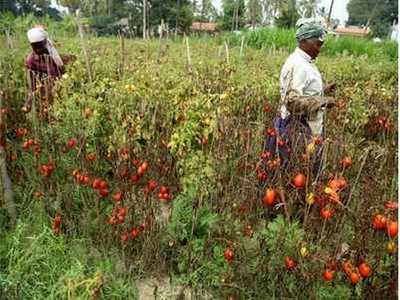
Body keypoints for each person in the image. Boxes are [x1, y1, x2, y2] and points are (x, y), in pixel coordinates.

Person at [265, 18, 336, 178]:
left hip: (302, 128)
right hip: (297, 129)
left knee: (301, 174)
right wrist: (323, 101)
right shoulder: (298, 65)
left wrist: (323, 91)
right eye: (317, 44)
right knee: (297, 174)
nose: (319, 49)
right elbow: (292, 102)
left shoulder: (305, 62)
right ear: (304, 41)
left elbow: (299, 93)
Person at [23, 26, 74, 113]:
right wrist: (29, 101)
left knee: (71, 60)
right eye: (35, 47)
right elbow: (32, 86)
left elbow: (60, 67)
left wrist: (63, 76)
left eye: (40, 46)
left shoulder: (51, 53)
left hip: (56, 80)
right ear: (31, 46)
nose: (39, 49)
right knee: (41, 90)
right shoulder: (30, 61)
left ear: (45, 42)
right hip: (46, 82)